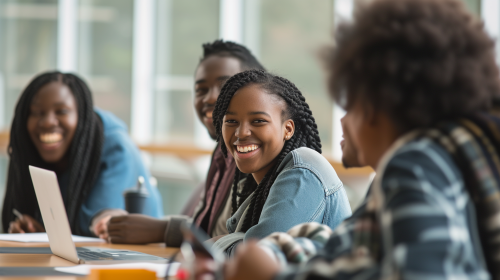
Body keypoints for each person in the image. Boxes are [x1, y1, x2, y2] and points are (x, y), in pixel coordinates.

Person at [202, 0, 500, 279]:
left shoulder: (414, 166)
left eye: (350, 101)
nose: (344, 119)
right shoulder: (417, 172)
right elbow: (347, 252)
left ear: (375, 105)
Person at [100, 40, 266, 245]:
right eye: (201, 89)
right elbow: (207, 227)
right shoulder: (222, 154)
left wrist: (162, 230)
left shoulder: (255, 157)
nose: (210, 98)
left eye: (224, 86)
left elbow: (239, 240)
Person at [209, 69, 352, 256]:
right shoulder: (262, 183)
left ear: (288, 129)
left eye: (258, 121)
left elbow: (259, 256)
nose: (241, 132)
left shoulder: (303, 170)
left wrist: (217, 243)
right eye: (232, 121)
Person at [2, 71, 163, 236]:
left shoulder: (117, 148)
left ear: (82, 116)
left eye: (62, 111)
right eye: (37, 113)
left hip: (140, 257)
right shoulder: (36, 152)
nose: (48, 122)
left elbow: (96, 227)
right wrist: (36, 229)